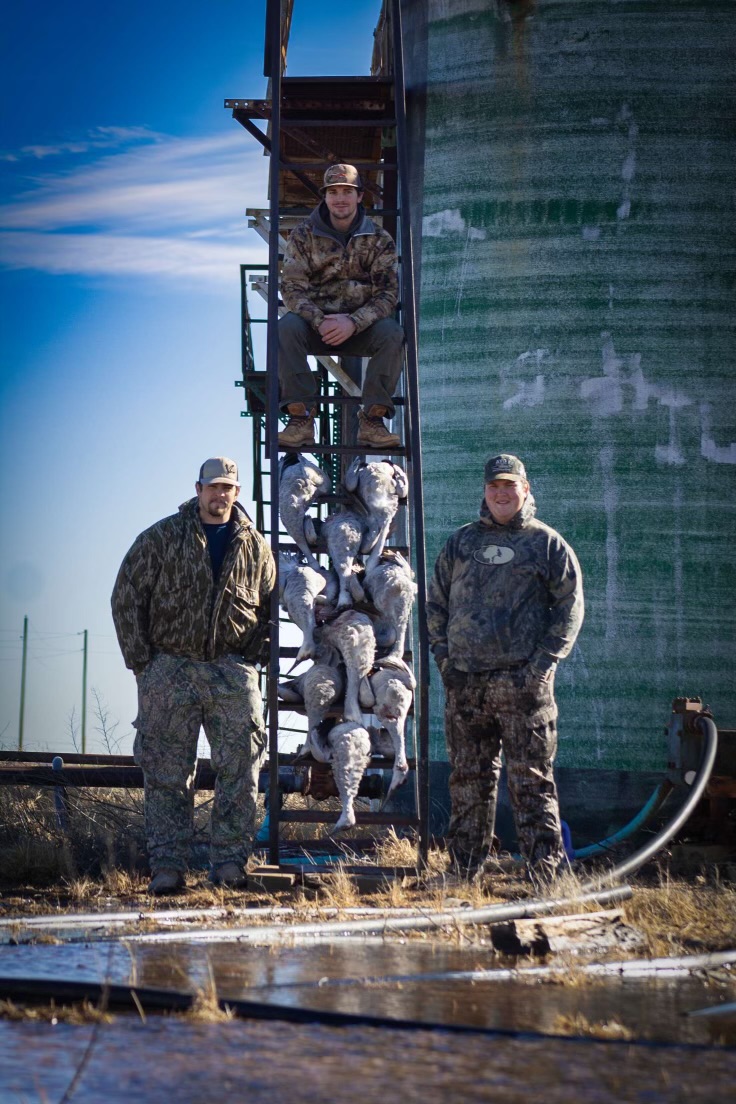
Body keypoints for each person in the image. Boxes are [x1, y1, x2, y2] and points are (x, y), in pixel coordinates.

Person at [111, 457, 276, 895]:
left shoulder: (255, 548)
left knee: (241, 767)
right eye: (212, 486)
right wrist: (143, 664)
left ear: (237, 492)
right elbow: (126, 595)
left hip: (231, 669)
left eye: (227, 487)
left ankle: (229, 863)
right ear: (198, 489)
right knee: (167, 773)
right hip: (171, 669)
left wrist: (251, 658)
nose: (220, 494)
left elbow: (269, 609)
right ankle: (167, 867)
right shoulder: (162, 537)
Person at [427, 453, 584, 881]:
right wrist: (445, 661)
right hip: (466, 686)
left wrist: (541, 667)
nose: (501, 494)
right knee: (468, 782)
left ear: (525, 489)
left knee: (531, 782)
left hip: (522, 687)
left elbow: (569, 608)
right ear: (484, 490)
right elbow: (435, 603)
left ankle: (546, 876)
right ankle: (462, 872)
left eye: (509, 486)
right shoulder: (461, 543)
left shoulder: (546, 543)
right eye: (494, 486)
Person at [277, 162, 405, 451]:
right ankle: (300, 418)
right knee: (286, 327)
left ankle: (373, 421)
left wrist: (354, 322)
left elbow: (387, 294)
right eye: (333, 192)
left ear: (359, 196)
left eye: (347, 191)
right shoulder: (303, 235)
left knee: (393, 333)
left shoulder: (379, 239)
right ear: (325, 197)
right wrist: (319, 320)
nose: (340, 199)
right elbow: (292, 288)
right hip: (315, 327)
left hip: (362, 328)